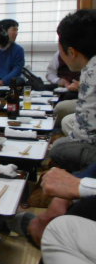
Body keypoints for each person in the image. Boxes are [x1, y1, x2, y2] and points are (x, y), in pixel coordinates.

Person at [48, 9, 96, 172]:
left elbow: (86, 134)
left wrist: (57, 143)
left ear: (71, 52)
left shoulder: (91, 71)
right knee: (67, 120)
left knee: (59, 148)